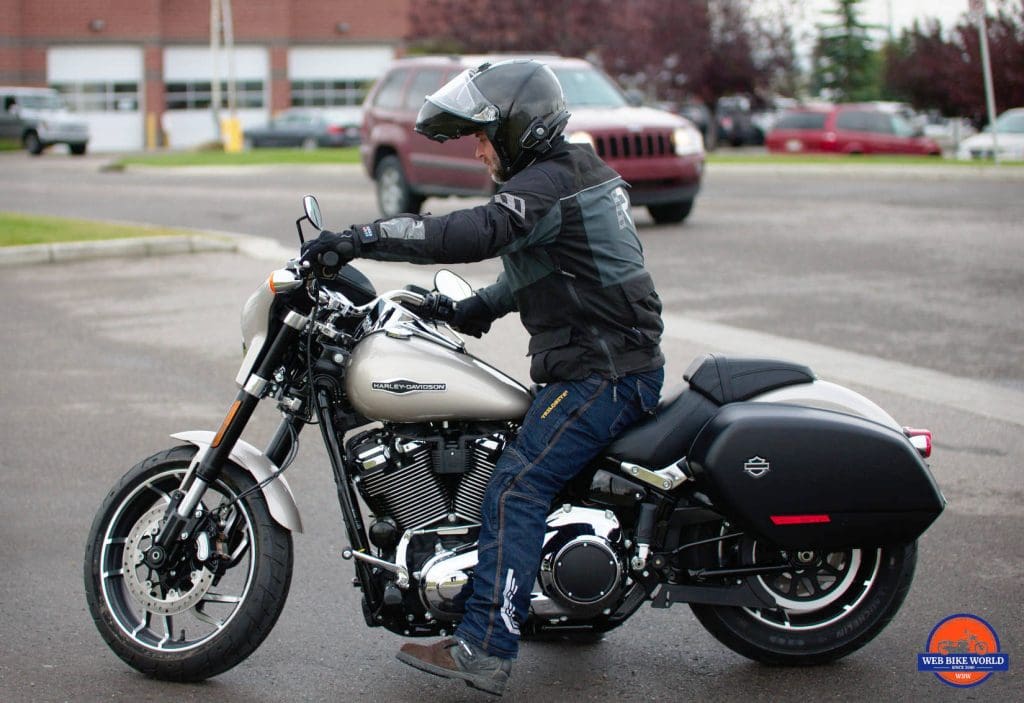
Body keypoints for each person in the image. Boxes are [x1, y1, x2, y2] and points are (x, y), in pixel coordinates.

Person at [301, 58, 665, 696]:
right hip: (599, 366)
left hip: (603, 376)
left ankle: (484, 647)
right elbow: (544, 271)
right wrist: (460, 309)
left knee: (516, 488)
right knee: (519, 470)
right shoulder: (565, 177)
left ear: (517, 128)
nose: (476, 148)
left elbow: (476, 232)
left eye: (482, 134)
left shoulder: (551, 183)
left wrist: (360, 238)